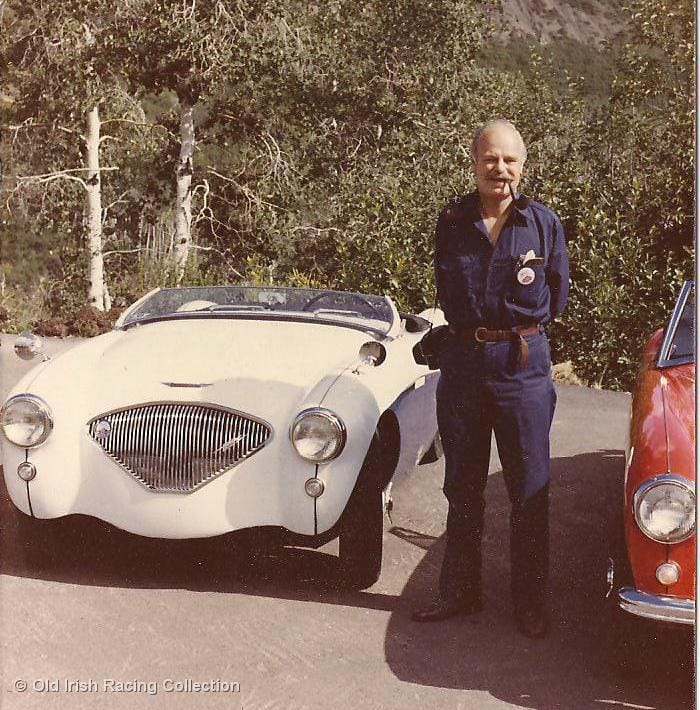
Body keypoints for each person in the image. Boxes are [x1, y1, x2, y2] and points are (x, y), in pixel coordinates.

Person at [411, 119, 569, 638]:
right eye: (490, 159)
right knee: (462, 486)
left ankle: (529, 604)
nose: (499, 169)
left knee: (529, 489)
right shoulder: (452, 221)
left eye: (510, 160)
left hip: (522, 367)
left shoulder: (542, 224)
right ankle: (459, 592)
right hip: (464, 366)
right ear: (474, 161)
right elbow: (446, 289)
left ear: (523, 164)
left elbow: (558, 295)